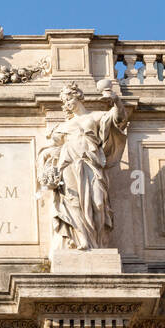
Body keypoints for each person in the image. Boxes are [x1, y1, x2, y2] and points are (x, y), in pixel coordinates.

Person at [39, 82, 130, 252]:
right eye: (64, 101)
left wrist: (116, 100)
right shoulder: (62, 127)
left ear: (78, 96)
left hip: (91, 164)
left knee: (98, 202)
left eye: (69, 99)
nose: (66, 104)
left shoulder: (95, 117)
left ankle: (97, 242)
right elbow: (50, 149)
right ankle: (81, 240)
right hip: (69, 165)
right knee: (73, 202)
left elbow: (119, 119)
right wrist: (44, 168)